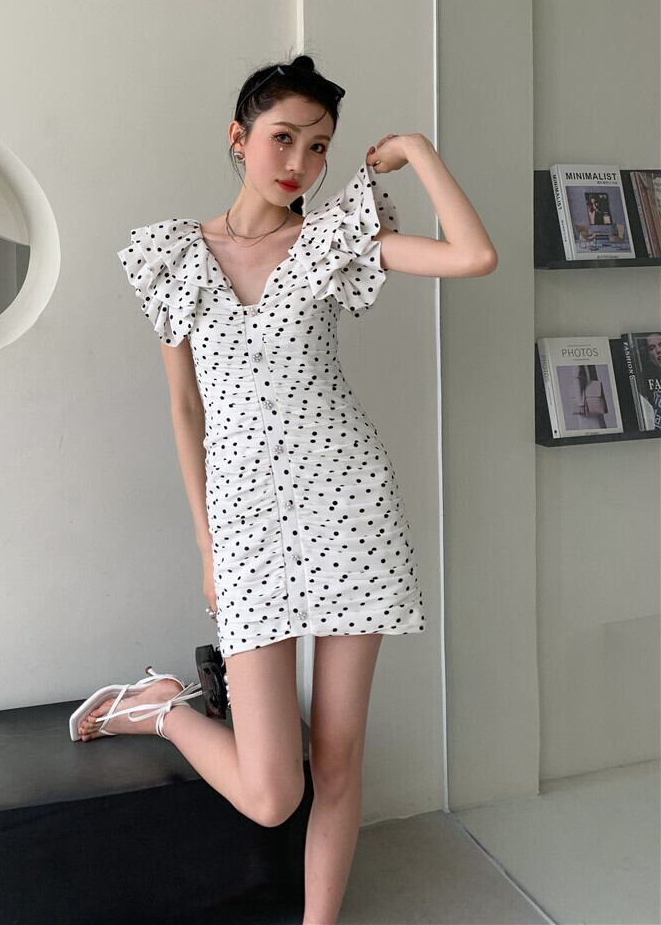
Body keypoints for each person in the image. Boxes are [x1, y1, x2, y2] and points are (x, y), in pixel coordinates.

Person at [78, 55, 497, 925]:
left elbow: (474, 255)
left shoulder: (332, 241)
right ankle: (160, 709)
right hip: (245, 526)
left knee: (338, 761)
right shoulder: (173, 256)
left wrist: (417, 151)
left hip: (350, 509)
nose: (300, 162)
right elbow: (185, 408)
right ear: (238, 138)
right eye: (283, 138)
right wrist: (208, 545)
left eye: (319, 145)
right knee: (273, 791)